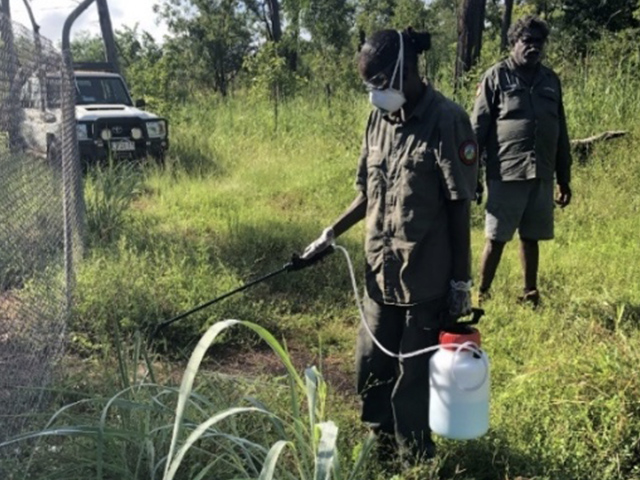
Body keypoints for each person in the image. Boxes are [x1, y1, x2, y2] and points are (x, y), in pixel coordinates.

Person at [301, 28, 478, 463]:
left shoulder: (447, 120)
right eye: (368, 85)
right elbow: (367, 193)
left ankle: (414, 458)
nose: (373, 93)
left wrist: (461, 281)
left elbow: (459, 208)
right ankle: (380, 447)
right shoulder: (379, 119)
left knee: (412, 375)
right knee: (371, 365)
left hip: (426, 278)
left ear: (404, 71)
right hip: (380, 276)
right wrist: (330, 233)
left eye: (378, 82)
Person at [472, 15, 572, 307]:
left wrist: (563, 177)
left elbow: (561, 132)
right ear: (513, 43)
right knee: (496, 237)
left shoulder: (551, 81)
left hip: (541, 172)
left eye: (538, 42)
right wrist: (472, 174)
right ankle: (482, 294)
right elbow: (477, 129)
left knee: (532, 237)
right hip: (506, 172)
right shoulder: (496, 76)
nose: (533, 47)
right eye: (527, 41)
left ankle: (530, 293)